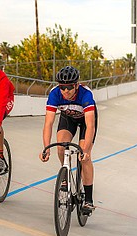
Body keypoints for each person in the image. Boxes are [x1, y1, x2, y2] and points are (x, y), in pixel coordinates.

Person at [39, 66, 98, 215]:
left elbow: (90, 125)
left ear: (76, 85)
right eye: (62, 87)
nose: (66, 91)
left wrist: (86, 151)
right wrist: (46, 148)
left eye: (69, 87)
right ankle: (65, 172)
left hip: (86, 122)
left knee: (84, 158)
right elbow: (48, 123)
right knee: (61, 146)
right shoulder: (55, 94)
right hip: (68, 119)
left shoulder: (85, 95)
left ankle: (89, 199)